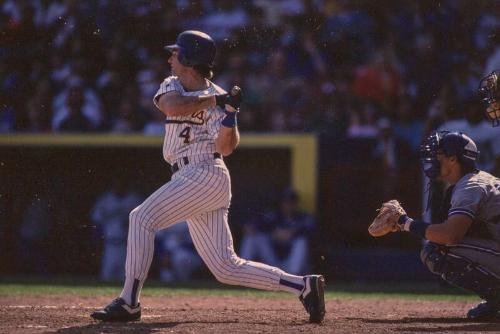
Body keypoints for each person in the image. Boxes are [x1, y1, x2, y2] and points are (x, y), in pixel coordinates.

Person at [91, 30, 325, 324]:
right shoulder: (173, 84)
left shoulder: (219, 95)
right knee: (226, 268)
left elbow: (226, 147)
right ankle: (303, 285)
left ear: (189, 58)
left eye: (176, 54)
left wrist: (229, 114)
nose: (170, 58)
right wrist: (214, 102)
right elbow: (172, 107)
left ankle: (129, 302)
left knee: (141, 218)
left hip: (207, 172)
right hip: (187, 175)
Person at [377, 131, 500, 321]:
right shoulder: (478, 180)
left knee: (436, 251)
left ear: (452, 159)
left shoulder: (469, 187)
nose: (433, 158)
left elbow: (450, 235)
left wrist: (404, 222)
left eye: (438, 154)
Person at [91, 176, 142, 282]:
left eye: (122, 183)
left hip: (127, 246)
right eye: (117, 183)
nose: (119, 186)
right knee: (106, 277)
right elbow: (96, 222)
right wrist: (96, 244)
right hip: (109, 245)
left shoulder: (134, 200)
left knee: (127, 279)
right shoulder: (105, 200)